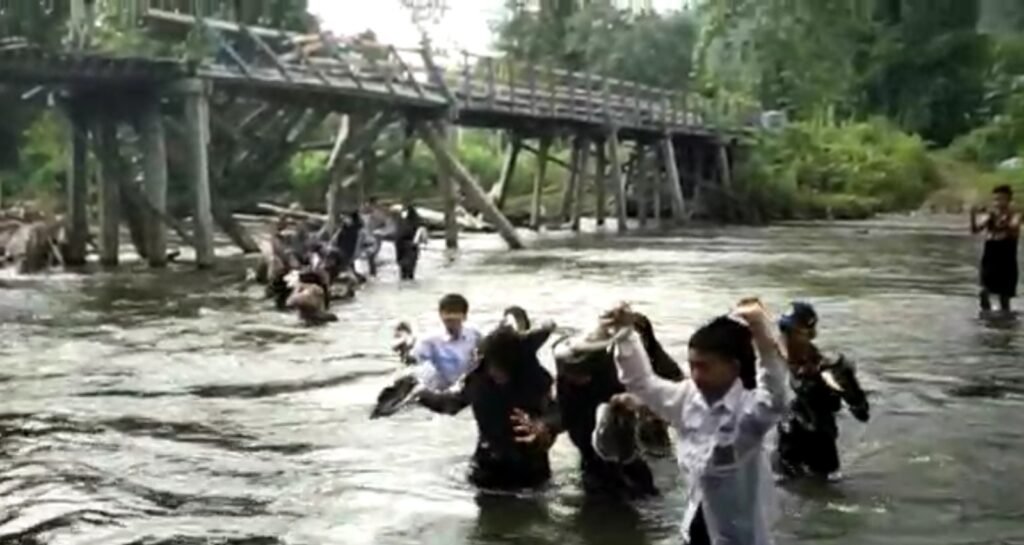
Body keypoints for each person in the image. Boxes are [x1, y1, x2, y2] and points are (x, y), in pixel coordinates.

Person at [604, 299, 787, 545]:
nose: (696, 375)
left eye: (705, 367)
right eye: (692, 366)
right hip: (695, 530)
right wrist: (625, 334)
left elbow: (775, 396)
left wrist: (761, 334)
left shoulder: (748, 413)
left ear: (733, 368)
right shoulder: (686, 400)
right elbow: (643, 384)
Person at [416, 321, 561, 490]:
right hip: (487, 466)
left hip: (530, 468)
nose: (496, 372)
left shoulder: (536, 381)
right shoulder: (478, 378)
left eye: (503, 366)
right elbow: (451, 404)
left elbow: (561, 411)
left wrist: (543, 425)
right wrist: (420, 394)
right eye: (494, 365)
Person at [773, 302, 869, 481]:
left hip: (820, 437)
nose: (787, 336)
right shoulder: (773, 358)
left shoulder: (825, 366)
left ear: (809, 333)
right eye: (785, 330)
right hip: (789, 435)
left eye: (795, 332)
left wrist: (847, 387)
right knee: (782, 482)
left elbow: (861, 411)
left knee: (827, 486)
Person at [411, 293, 483, 391]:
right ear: (440, 315)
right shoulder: (428, 341)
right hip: (442, 391)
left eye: (456, 313)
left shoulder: (474, 334)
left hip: (468, 387)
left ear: (465, 316)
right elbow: (418, 367)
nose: (452, 317)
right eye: (448, 313)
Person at [971, 185, 1021, 313]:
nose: (998, 203)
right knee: (983, 292)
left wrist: (1002, 221)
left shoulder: (1015, 214)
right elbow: (975, 230)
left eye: (1001, 199)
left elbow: (1014, 227)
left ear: (1009, 200)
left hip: (1007, 262)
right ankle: (987, 321)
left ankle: (1005, 323)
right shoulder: (991, 216)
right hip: (989, 260)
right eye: (995, 200)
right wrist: (972, 215)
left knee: (1004, 299)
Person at [394, 204, 428, 281]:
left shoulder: (409, 223)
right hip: (407, 249)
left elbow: (398, 237)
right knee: (407, 273)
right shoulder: (404, 222)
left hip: (408, 248)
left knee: (406, 273)